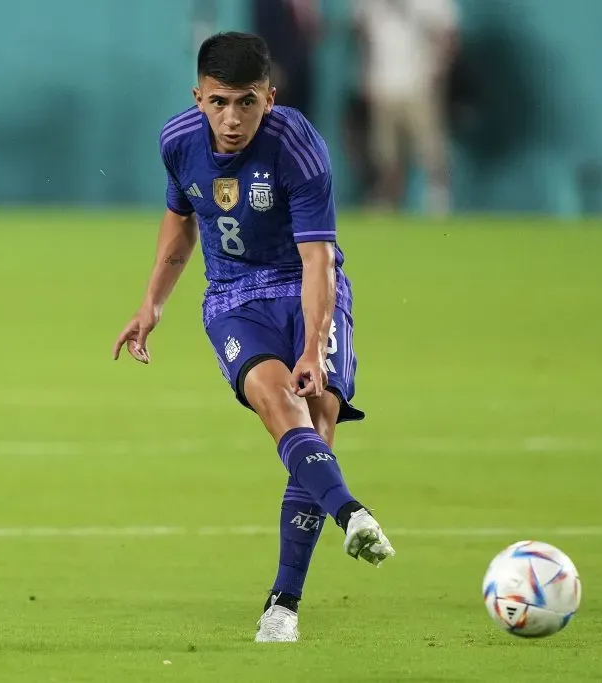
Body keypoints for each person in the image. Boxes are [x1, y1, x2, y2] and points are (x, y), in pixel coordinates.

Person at [112, 32, 395, 644]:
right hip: (234, 297)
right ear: (198, 96)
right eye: (218, 103)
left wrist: (314, 348)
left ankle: (283, 605)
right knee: (278, 404)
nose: (231, 119)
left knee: (318, 419)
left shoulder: (297, 145)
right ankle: (352, 514)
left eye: (246, 102)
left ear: (270, 96)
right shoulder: (178, 142)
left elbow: (317, 259)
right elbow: (180, 223)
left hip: (304, 288)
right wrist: (151, 305)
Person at [352, 0, 458, 215]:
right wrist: (366, 73)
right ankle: (387, 203)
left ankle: (439, 201)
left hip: (420, 84)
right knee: (386, 153)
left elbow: (448, 35)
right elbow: (362, 35)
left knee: (431, 149)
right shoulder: (368, 4)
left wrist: (437, 70)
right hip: (383, 85)